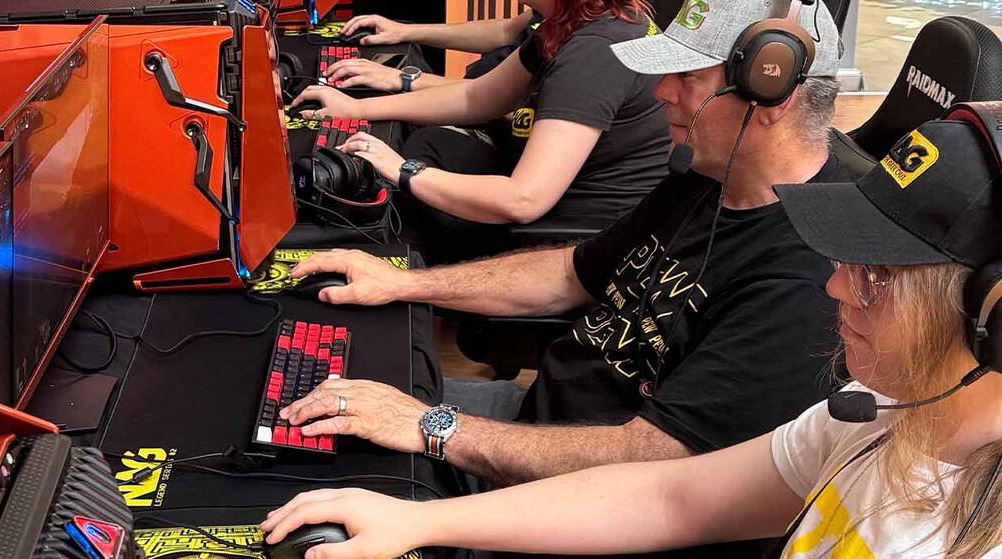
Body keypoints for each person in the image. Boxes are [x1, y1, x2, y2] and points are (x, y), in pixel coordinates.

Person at [263, 115, 1002, 559]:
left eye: (876, 277)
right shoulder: (872, 418)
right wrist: (417, 522)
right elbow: (670, 496)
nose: (836, 286)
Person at [279, 0, 848, 486]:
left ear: (770, 94)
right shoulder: (705, 177)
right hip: (532, 419)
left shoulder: (808, 279)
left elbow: (651, 457)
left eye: (688, 78)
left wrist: (430, 427)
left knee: (308, 478)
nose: (661, 92)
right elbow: (571, 273)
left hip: (568, 488)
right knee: (305, 415)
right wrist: (403, 283)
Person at [291, 0, 670, 260]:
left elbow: (523, 200)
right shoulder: (575, 21)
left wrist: (405, 172)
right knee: (431, 145)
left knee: (395, 209)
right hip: (563, 201)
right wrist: (357, 108)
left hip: (570, 240)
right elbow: (478, 97)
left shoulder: (595, 50)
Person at [319, 11, 540, 92]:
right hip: (472, 95)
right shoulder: (550, 15)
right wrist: (405, 31)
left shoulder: (562, 45)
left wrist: (404, 80)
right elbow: (506, 31)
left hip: (490, 132)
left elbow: (497, 101)